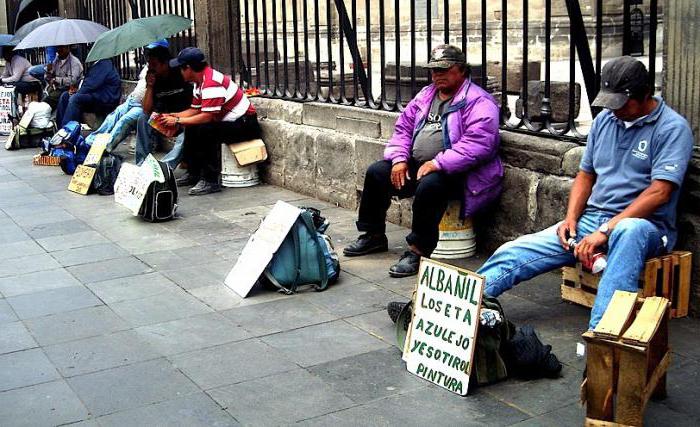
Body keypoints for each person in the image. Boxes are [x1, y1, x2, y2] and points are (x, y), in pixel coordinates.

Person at [467, 56, 693, 331]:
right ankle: (461, 303)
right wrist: (571, 218)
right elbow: (585, 175)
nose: (614, 110)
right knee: (515, 251)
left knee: (629, 230)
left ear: (645, 94)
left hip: (647, 226)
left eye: (621, 103)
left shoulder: (672, 128)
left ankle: (603, 335)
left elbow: (660, 192)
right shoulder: (605, 122)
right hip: (594, 220)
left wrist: (606, 230)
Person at [342, 44, 503, 278]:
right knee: (377, 172)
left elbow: (478, 144)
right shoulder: (426, 95)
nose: (437, 75)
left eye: (444, 70)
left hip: (462, 173)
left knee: (431, 186)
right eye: (434, 70)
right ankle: (373, 235)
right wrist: (399, 159)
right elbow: (403, 129)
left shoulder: (479, 101)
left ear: (461, 70)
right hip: (422, 165)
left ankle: (418, 250)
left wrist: (438, 163)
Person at [157, 47, 261, 195]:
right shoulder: (200, 83)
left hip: (245, 125)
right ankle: (194, 172)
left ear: (189, 68)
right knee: (192, 126)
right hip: (231, 122)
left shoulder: (212, 83)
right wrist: (174, 116)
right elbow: (195, 110)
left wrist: (178, 120)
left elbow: (207, 116)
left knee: (206, 129)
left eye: (181, 68)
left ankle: (210, 180)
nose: (180, 72)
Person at [133, 40, 193, 169]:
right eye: (149, 64)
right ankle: (141, 163)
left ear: (165, 63)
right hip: (165, 118)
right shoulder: (154, 78)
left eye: (154, 64)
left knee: (189, 130)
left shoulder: (180, 72)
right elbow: (146, 110)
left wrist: (178, 118)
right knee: (142, 119)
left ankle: (165, 167)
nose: (150, 68)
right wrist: (149, 86)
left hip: (184, 118)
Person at [55, 58, 121, 128]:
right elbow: (88, 82)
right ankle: (60, 130)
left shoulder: (104, 64)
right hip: (96, 96)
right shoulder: (99, 63)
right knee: (65, 96)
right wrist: (76, 90)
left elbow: (90, 84)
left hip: (105, 101)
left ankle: (67, 131)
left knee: (75, 98)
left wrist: (78, 92)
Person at [43, 45, 84, 110]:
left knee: (46, 103)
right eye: (58, 47)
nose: (59, 50)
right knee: (46, 96)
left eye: (62, 47)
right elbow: (48, 77)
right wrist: (48, 71)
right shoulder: (57, 59)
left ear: (68, 48)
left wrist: (56, 79)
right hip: (57, 88)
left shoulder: (74, 62)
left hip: (70, 89)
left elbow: (72, 80)